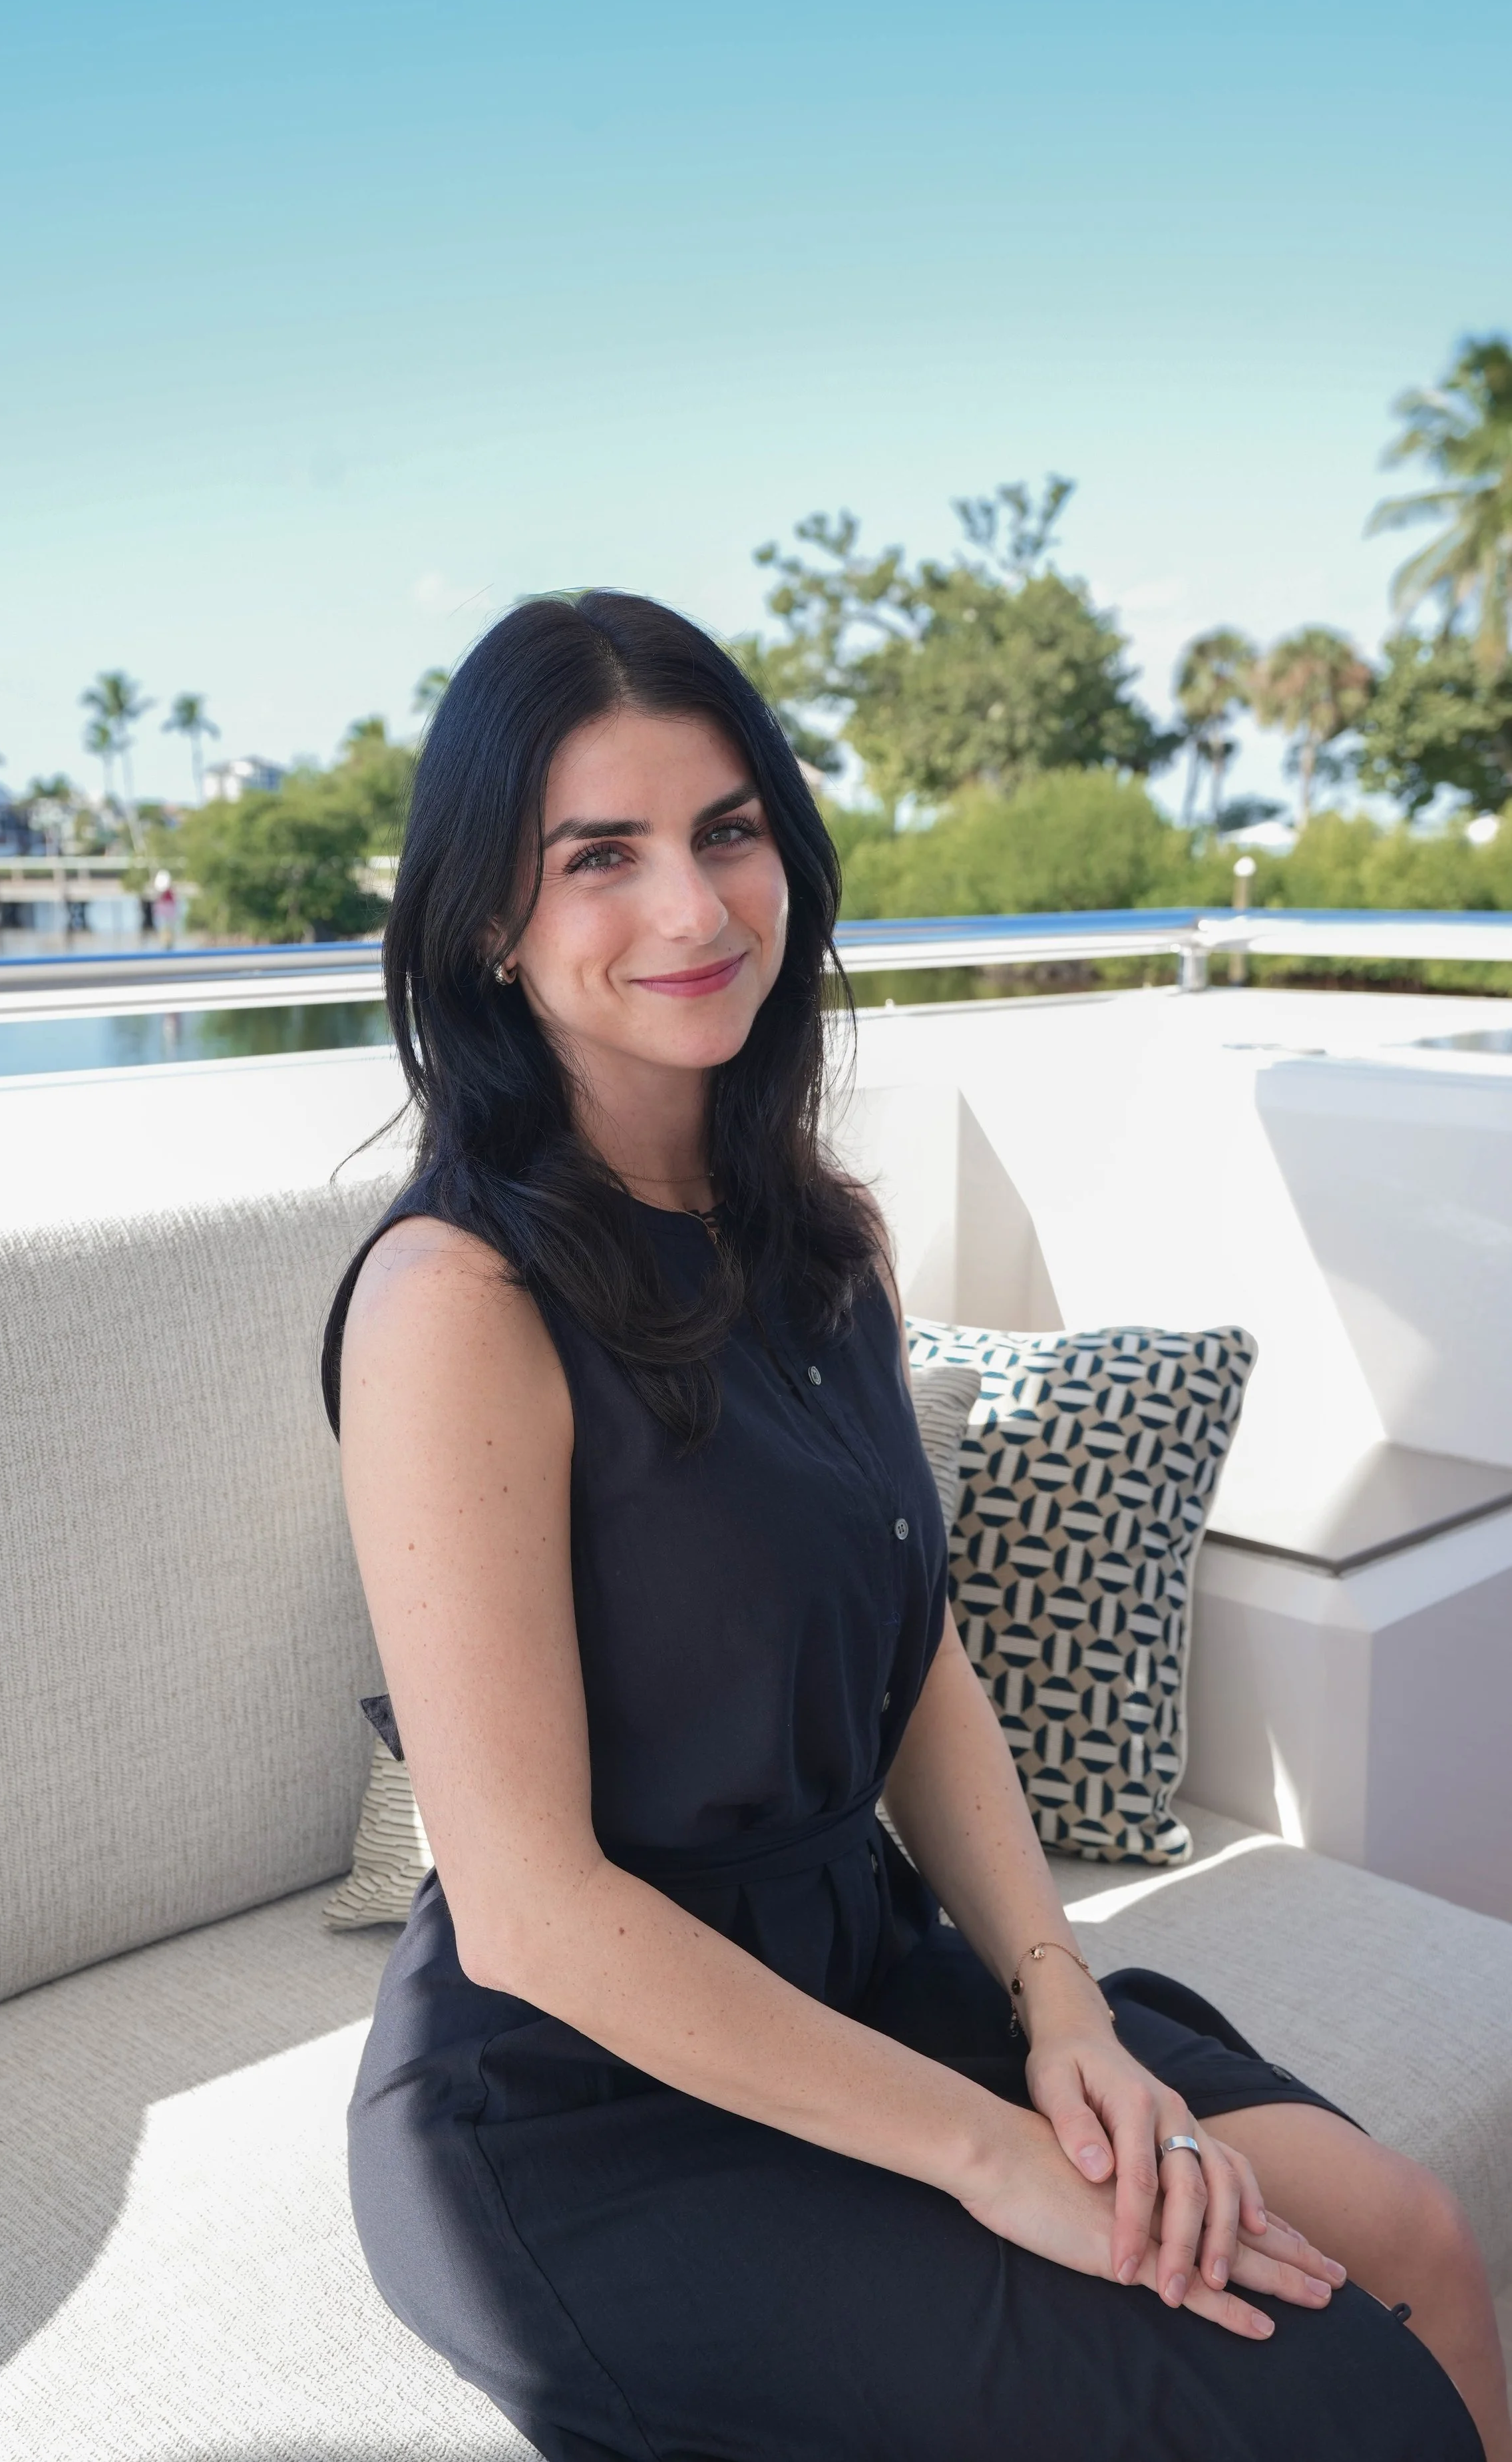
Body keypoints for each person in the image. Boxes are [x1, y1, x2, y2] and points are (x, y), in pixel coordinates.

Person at [324, 591, 1505, 2462]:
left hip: (862, 1963)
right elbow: (534, 1915)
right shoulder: (457, 1304)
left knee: (1413, 2236)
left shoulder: (823, 1239)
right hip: (591, 2096)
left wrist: (1059, 2006)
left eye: (726, 830)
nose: (694, 909)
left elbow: (919, 1660)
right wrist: (993, 2155)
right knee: (1321, 2387)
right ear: (485, 919)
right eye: (599, 857)